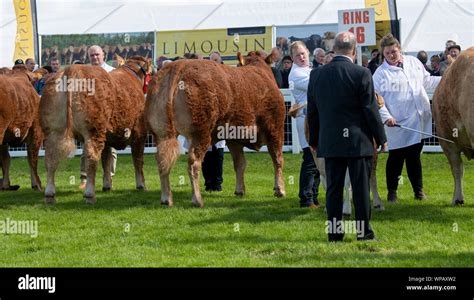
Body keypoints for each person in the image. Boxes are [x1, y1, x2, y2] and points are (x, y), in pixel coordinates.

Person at [307, 31, 387, 242]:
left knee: (333, 189)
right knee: (360, 189)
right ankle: (363, 233)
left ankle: (334, 234)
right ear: (353, 50)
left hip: (330, 140)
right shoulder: (362, 73)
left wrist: (313, 140)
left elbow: (313, 111)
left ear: (334, 49)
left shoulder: (316, 75)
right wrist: (381, 137)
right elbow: (370, 109)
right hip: (357, 141)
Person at [373, 33, 441, 202]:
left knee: (414, 156)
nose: (391, 55)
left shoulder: (414, 62)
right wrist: (386, 117)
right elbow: (376, 98)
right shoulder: (380, 74)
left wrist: (446, 79)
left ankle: (418, 191)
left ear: (400, 49)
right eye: (387, 53)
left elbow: (427, 81)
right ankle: (392, 192)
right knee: (395, 158)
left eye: (394, 51)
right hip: (396, 123)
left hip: (418, 119)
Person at [288, 41, 321, 208]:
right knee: (310, 159)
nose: (301, 57)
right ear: (292, 58)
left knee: (317, 160)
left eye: (303, 53)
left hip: (314, 119)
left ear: (308, 52)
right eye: (297, 55)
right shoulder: (296, 74)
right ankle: (306, 198)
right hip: (306, 120)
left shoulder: (308, 70)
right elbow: (318, 87)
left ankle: (314, 196)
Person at [79, 45, 116, 189]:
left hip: (109, 116)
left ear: (103, 55)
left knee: (110, 148)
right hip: (90, 115)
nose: (95, 57)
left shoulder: (112, 72)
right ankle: (84, 178)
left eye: (97, 55)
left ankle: (109, 177)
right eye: (92, 55)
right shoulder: (84, 73)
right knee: (87, 147)